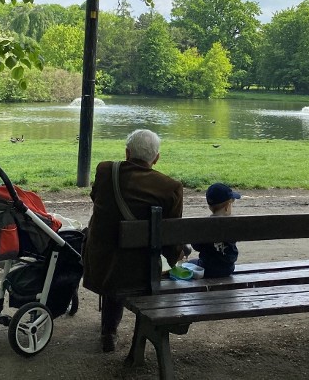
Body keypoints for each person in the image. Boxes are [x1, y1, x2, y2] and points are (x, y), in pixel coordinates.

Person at [82, 129, 184, 353]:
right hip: (141, 269)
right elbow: (171, 235)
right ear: (156, 158)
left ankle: (109, 330)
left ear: (127, 153)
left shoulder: (105, 170)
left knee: (116, 254)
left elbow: (95, 197)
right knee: (133, 258)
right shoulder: (171, 187)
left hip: (101, 264)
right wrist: (173, 260)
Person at [188, 183, 240, 278]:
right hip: (228, 269)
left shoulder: (204, 225)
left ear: (210, 206)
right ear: (227, 206)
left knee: (191, 262)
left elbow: (196, 246)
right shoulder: (232, 224)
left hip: (207, 268)